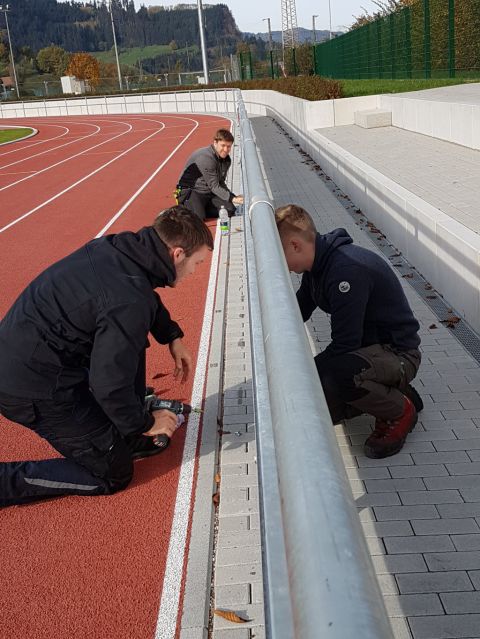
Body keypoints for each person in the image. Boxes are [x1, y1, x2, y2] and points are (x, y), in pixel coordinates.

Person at [0, 206, 213, 507]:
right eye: (197, 263)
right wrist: (144, 423)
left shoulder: (118, 249)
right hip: (33, 387)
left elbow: (142, 297)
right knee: (113, 473)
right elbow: (108, 384)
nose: (194, 272)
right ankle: (7, 482)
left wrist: (172, 335)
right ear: (178, 254)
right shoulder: (129, 299)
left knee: (131, 339)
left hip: (35, 355)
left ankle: (125, 429)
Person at [275, 204, 423, 459]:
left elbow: (345, 344)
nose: (282, 267)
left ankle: (399, 411)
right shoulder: (317, 266)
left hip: (399, 354)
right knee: (323, 405)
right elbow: (297, 310)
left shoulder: (346, 271)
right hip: (371, 350)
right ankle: (392, 392)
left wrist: (306, 375)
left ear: (295, 245)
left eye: (280, 256)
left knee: (331, 377)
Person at [176, 128, 244, 220]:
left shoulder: (226, 160)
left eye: (229, 146)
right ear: (215, 143)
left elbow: (220, 182)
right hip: (192, 191)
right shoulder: (206, 157)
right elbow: (214, 186)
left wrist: (232, 195)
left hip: (208, 191)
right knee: (198, 218)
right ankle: (186, 207)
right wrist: (233, 199)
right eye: (223, 145)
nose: (226, 149)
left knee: (230, 210)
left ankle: (200, 208)